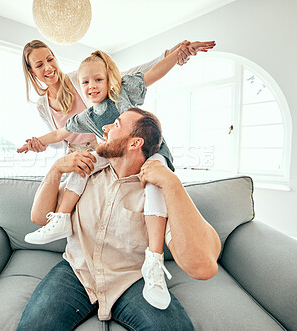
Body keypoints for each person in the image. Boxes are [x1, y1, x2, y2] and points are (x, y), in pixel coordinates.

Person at [19, 44, 215, 309]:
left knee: (153, 180)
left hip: (150, 156)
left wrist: (173, 55)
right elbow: (60, 135)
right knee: (84, 163)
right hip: (101, 159)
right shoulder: (86, 118)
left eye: (98, 80)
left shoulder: (122, 94)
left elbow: (150, 72)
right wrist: (42, 150)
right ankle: (62, 218)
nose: (91, 86)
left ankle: (154, 258)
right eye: (86, 82)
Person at [17, 108, 221, 330]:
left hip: (130, 280)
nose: (105, 128)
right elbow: (39, 217)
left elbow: (203, 268)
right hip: (77, 272)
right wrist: (56, 169)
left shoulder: (157, 192)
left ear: (135, 143)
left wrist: (173, 183)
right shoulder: (86, 174)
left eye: (116, 124)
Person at [19, 39, 214, 154]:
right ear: (31, 71)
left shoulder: (82, 77)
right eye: (39, 65)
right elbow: (59, 137)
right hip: (75, 153)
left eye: (50, 59)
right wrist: (40, 143)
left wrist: (170, 55)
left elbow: (133, 77)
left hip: (103, 144)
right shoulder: (44, 107)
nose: (48, 67)